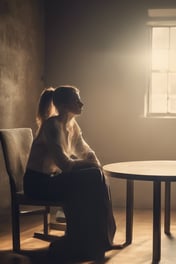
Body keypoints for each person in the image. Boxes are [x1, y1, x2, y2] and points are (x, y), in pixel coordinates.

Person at [23, 85, 116, 262]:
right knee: (94, 175)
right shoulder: (52, 125)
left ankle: (99, 240)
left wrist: (94, 164)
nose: (82, 103)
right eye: (76, 100)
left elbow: (86, 151)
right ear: (64, 105)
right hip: (38, 184)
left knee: (98, 174)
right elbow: (65, 164)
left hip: (54, 180)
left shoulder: (72, 125)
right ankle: (88, 241)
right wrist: (92, 166)